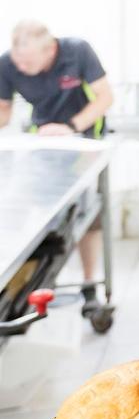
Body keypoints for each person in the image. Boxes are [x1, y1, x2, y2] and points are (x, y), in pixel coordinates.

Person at [0, 19, 114, 303]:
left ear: (50, 50)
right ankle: (25, 283)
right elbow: (3, 113)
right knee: (31, 211)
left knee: (87, 215)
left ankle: (90, 284)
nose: (21, 69)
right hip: (42, 144)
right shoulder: (8, 64)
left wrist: (71, 127)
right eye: (18, 63)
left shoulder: (77, 52)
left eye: (27, 63)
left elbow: (105, 97)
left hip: (84, 140)